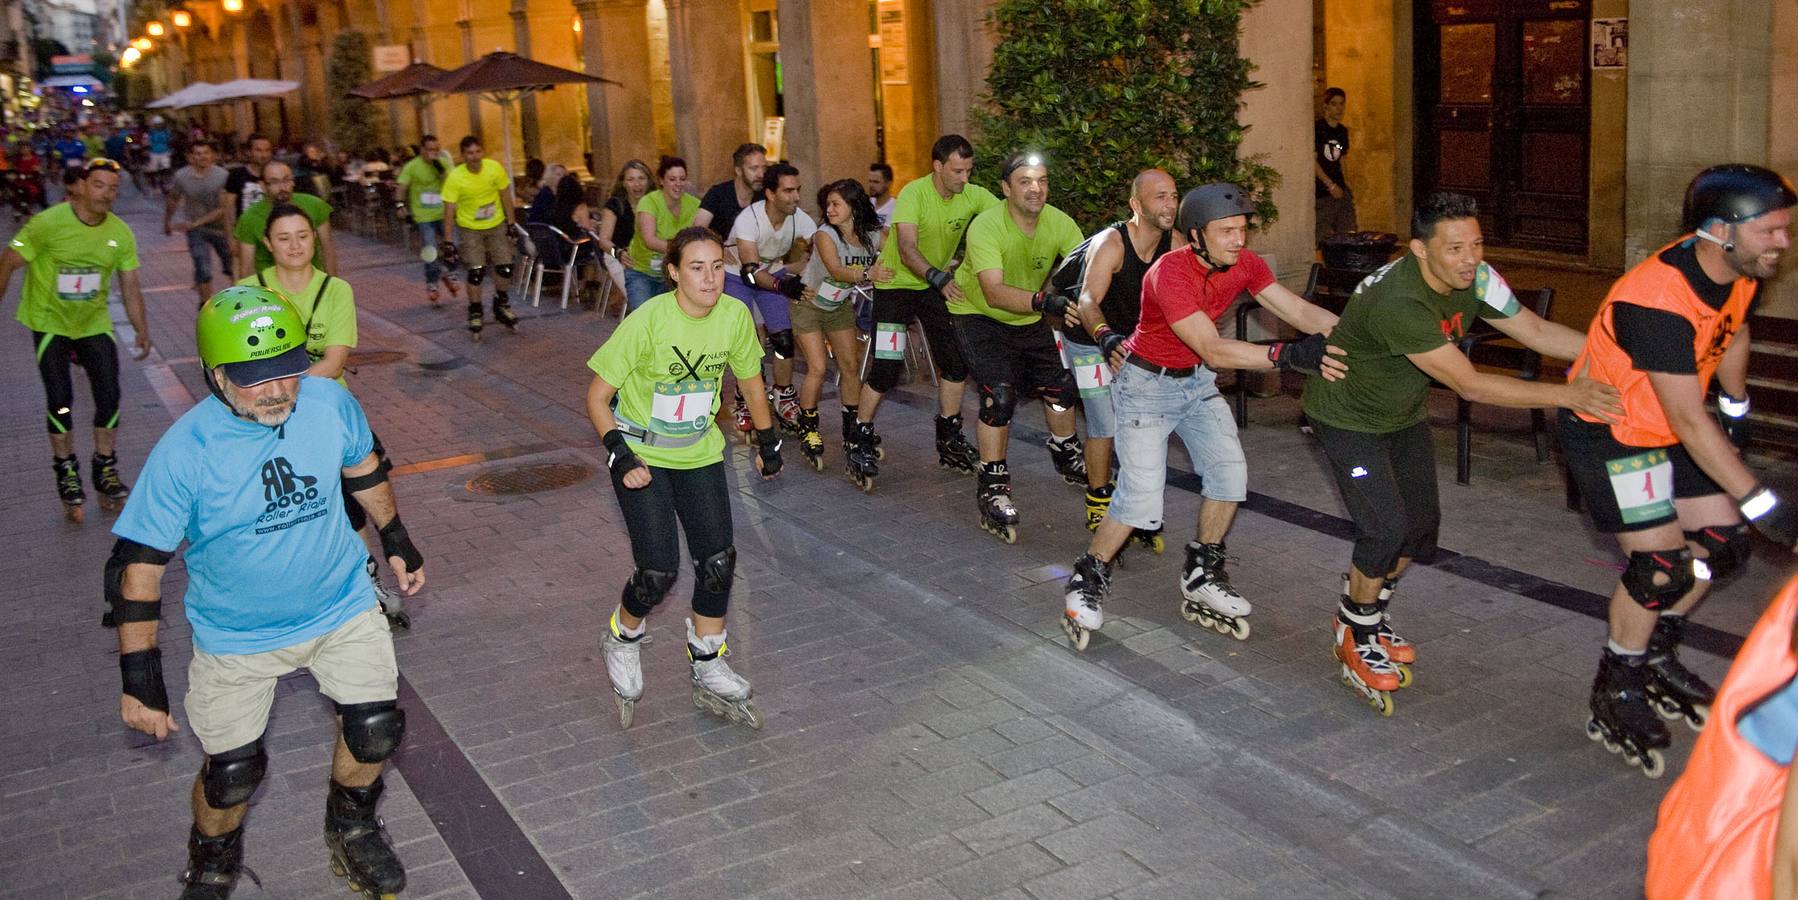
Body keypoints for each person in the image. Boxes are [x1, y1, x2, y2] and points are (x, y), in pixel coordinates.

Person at [108, 286, 425, 899]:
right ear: (215, 374)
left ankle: (353, 827)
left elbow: (362, 467)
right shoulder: (183, 452)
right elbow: (138, 571)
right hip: (237, 637)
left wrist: (397, 537)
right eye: (257, 379)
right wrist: (140, 678)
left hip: (341, 607)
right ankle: (211, 863)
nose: (279, 391)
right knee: (232, 774)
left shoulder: (330, 402)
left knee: (375, 728)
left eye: (288, 372)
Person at [1301, 190, 1621, 716]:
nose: (1469, 258)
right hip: (1346, 420)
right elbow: (1470, 385)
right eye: (1454, 248)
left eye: (1475, 244)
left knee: (1420, 529)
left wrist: (1615, 357)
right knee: (1384, 529)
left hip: (1400, 416)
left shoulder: (1478, 276)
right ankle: (1356, 630)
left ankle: (1363, 611)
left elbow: (1535, 331)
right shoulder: (1399, 302)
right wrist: (1570, 393)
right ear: (1419, 250)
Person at [1560, 165, 1797, 773]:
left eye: (1785, 230)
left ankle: (1656, 651)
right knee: (1659, 566)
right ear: (1721, 230)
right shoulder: (1655, 302)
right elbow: (1690, 422)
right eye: (1770, 231)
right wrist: (1763, 500)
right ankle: (1617, 684)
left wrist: (1737, 408)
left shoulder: (1735, 268)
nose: (1782, 243)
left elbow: (1733, 331)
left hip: (1668, 426)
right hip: (1616, 436)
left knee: (1721, 546)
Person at [1060, 183, 1347, 651]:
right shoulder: (1168, 274)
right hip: (1145, 387)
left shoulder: (1245, 264)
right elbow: (1212, 347)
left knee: (1230, 475)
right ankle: (1087, 577)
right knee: (1140, 499)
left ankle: (1203, 571)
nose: (1239, 240)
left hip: (1194, 385)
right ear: (1196, 236)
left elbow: (1295, 308)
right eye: (1227, 231)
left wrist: (1352, 336)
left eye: (1243, 230)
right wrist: (1289, 356)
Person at [585, 226, 782, 730]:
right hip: (641, 456)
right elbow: (595, 397)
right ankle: (623, 635)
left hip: (697, 452)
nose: (710, 278)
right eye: (697, 268)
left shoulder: (735, 316)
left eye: (718, 266)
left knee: (718, 561)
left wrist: (767, 442)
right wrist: (620, 455)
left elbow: (752, 386)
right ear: (673, 272)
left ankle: (709, 660)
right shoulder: (648, 320)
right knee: (658, 572)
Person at [239, 203, 411, 629]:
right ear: (267, 244)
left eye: (302, 235)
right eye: (283, 237)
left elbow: (333, 363)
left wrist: (279, 393)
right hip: (263, 423)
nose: (294, 245)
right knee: (282, 509)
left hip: (326, 416)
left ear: (315, 238)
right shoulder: (247, 291)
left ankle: (363, 581)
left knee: (353, 504)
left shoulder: (336, 290)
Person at [945, 152, 1086, 541]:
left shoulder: (1059, 222)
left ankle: (1065, 449)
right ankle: (993, 483)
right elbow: (992, 292)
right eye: (1024, 181)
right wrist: (1046, 302)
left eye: (1041, 180)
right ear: (1006, 189)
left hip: (1027, 316)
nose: (1035, 188)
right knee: (999, 395)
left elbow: (1088, 270)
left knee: (1061, 389)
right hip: (978, 315)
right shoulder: (987, 226)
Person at [0, 158, 150, 522]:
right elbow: (7, 261)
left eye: (113, 188)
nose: (106, 194)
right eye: (99, 185)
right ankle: (66, 468)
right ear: (81, 186)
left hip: (92, 323)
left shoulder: (120, 233)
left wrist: (141, 328)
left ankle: (105, 465)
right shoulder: (48, 223)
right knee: (60, 400)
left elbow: (130, 285)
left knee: (109, 396)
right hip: (49, 320)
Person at [850, 134, 996, 487]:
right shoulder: (915, 194)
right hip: (896, 287)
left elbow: (1005, 217)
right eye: (958, 171)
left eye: (969, 170)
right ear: (938, 167)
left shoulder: (972, 194)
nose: (965, 178)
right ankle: (860, 435)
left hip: (932, 287)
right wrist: (938, 277)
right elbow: (907, 246)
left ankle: (948, 436)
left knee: (956, 363)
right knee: (886, 364)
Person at [1057, 168, 1182, 553]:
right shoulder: (1112, 242)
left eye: (1174, 196)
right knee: (1105, 421)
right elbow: (1088, 301)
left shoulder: (1174, 244)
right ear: (1136, 204)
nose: (1170, 204)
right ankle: (1098, 497)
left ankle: (1134, 508)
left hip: (1131, 343)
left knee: (1140, 424)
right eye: (1160, 197)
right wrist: (1105, 337)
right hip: (1088, 340)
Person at [796, 178, 888, 474]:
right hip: (808, 305)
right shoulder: (825, 234)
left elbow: (900, 246)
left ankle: (853, 430)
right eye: (828, 204)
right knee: (818, 368)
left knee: (850, 366)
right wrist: (869, 272)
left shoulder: (873, 234)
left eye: (836, 204)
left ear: (853, 206)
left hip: (839, 308)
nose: (829, 209)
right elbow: (836, 270)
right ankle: (808, 426)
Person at [723, 161, 813, 435]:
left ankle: (783, 395)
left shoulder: (799, 217)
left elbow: (823, 244)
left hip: (772, 273)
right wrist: (784, 286)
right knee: (748, 342)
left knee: (783, 339)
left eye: (798, 190)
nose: (796, 197)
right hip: (737, 275)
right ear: (771, 194)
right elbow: (750, 272)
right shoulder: (748, 219)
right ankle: (745, 399)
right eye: (788, 191)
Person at [441, 135, 521, 339]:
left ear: (482, 152)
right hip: (470, 228)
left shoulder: (494, 168)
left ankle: (501, 303)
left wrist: (511, 224)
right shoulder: (456, 177)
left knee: (505, 267)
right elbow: (449, 210)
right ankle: (475, 310)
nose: (474, 157)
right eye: (470, 153)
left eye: (477, 152)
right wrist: (448, 241)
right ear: (463, 155)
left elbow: (505, 195)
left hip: (495, 224)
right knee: (476, 271)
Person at [232, 161, 336, 277]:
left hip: (313, 283)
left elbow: (327, 249)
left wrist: (332, 286)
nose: (282, 187)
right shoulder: (249, 218)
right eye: (274, 182)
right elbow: (247, 267)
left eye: (287, 180)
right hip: (271, 289)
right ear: (262, 185)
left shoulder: (314, 205)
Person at [625, 156, 699, 312]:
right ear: (661, 180)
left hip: (674, 274)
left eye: (682, 179)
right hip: (642, 271)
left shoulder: (694, 204)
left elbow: (699, 237)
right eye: (672, 179)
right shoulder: (649, 202)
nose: (678, 184)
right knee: (642, 317)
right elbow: (650, 240)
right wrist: (683, 249)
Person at [165, 138, 232, 307]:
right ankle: (206, 305)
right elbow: (173, 199)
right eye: (198, 154)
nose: (202, 157)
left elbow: (222, 209)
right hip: (196, 230)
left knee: (231, 266)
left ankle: (241, 302)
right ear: (190, 157)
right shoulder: (182, 176)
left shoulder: (223, 176)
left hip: (221, 228)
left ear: (213, 156)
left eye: (206, 153)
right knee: (202, 265)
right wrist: (166, 222)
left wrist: (195, 223)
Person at [396, 133, 459, 305]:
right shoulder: (412, 166)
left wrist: (441, 169)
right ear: (422, 150)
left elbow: (455, 183)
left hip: (443, 213)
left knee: (454, 243)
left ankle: (447, 270)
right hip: (423, 215)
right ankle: (432, 283)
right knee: (430, 249)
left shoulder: (443, 164)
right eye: (430, 150)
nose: (433, 153)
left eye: (436, 150)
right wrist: (400, 205)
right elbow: (402, 186)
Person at [596, 159, 652, 309]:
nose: (637, 184)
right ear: (624, 183)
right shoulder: (615, 205)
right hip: (621, 257)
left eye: (641, 178)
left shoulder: (657, 203)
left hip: (651, 257)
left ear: (648, 181)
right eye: (631, 179)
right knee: (643, 301)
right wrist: (618, 253)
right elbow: (604, 240)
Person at [694, 142, 767, 242]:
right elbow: (697, 233)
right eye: (754, 168)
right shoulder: (717, 194)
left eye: (764, 168)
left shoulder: (765, 196)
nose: (761, 175)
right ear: (738, 171)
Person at [221, 134, 274, 265]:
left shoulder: (276, 174)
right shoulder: (237, 175)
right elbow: (228, 210)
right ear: (249, 152)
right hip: (246, 234)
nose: (263, 154)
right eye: (259, 150)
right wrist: (231, 238)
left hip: (272, 231)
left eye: (267, 150)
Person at [1315, 87, 1356, 245]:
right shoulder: (1318, 129)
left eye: (1342, 104)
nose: (1339, 108)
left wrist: (1347, 185)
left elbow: (1342, 159)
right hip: (1323, 191)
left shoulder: (1342, 131)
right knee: (1323, 234)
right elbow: (1314, 161)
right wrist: (1330, 185)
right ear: (1326, 106)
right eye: (1334, 104)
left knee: (1348, 230)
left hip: (1341, 188)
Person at [145, 117, 173, 193]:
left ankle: (164, 183)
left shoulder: (166, 131)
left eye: (160, 124)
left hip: (165, 151)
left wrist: (170, 149)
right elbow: (147, 142)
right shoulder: (151, 132)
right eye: (157, 124)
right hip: (154, 152)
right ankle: (155, 184)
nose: (159, 126)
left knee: (166, 168)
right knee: (154, 169)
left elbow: (169, 140)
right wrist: (147, 149)